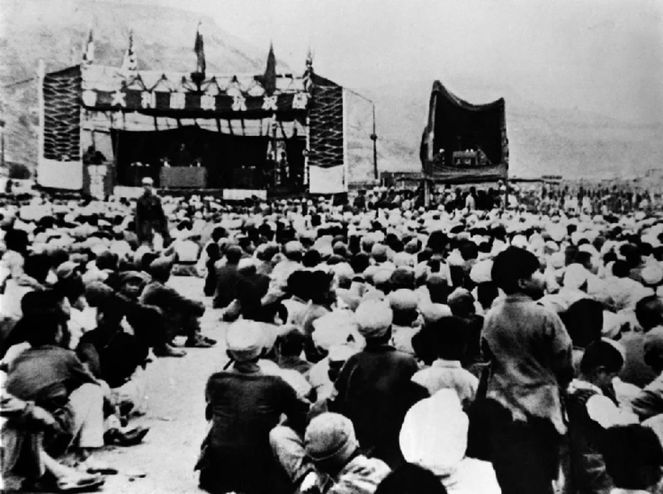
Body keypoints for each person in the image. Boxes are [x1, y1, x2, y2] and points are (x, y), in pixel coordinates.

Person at [482, 246, 573, 494]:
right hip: (541, 407)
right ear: (523, 281)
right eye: (537, 272)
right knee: (543, 473)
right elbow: (564, 359)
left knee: (511, 475)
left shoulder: (491, 316)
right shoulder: (545, 316)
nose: (542, 276)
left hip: (503, 405)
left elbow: (487, 355)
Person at [196, 320, 309, 494]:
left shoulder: (215, 380)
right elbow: (301, 417)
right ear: (262, 352)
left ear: (228, 353)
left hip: (219, 468)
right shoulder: (276, 383)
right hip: (259, 467)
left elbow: (210, 415)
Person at [332, 300, 428, 468]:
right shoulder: (406, 362)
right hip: (398, 447)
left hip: (364, 449)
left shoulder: (353, 363)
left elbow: (338, 405)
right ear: (389, 330)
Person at [565, 339, 638, 494]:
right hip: (598, 473)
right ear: (600, 371)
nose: (612, 382)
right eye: (612, 376)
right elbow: (626, 431)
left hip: (575, 468)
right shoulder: (596, 401)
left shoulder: (569, 391)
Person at [270, 412, 391, 494]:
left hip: (321, 481)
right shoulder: (380, 466)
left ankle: (307, 476)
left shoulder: (338, 490)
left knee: (278, 435)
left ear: (318, 466)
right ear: (356, 442)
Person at [139, 256, 214, 349]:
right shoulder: (162, 289)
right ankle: (194, 337)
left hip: (146, 329)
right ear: (165, 272)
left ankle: (195, 335)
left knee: (182, 308)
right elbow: (185, 303)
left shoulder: (152, 284)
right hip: (155, 331)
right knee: (188, 309)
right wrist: (200, 305)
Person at [135, 177, 170, 247]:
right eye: (145, 185)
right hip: (145, 225)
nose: (146, 187)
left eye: (148, 185)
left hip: (156, 225)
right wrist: (139, 232)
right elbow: (139, 216)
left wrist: (164, 229)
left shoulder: (156, 199)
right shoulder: (140, 200)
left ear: (151, 186)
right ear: (143, 186)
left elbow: (161, 214)